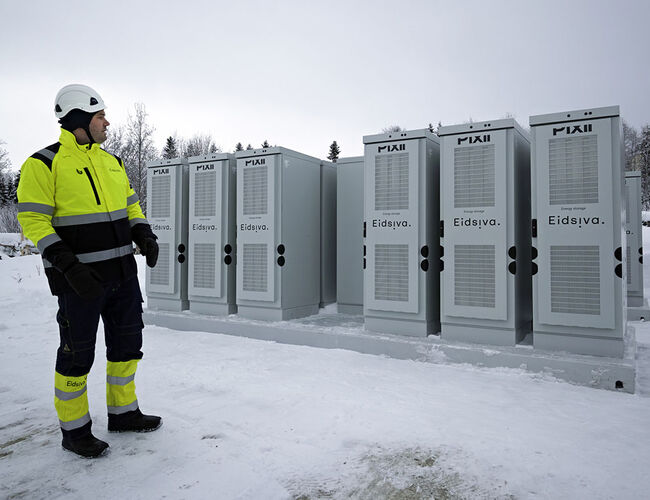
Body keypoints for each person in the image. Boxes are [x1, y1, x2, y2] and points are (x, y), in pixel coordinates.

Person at [17, 84, 162, 458]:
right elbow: (33, 220)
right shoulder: (43, 163)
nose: (107, 123)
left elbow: (131, 206)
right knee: (77, 355)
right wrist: (68, 266)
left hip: (123, 276)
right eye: (100, 117)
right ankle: (75, 431)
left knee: (128, 347)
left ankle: (124, 412)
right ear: (79, 118)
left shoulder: (111, 161)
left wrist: (143, 232)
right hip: (78, 282)